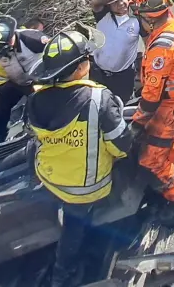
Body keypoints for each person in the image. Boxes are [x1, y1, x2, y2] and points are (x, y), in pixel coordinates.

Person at [26, 30, 133, 287]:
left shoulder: (35, 98)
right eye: (87, 58)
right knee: (74, 228)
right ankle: (63, 274)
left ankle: (62, 272)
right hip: (84, 189)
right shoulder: (99, 98)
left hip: (49, 179)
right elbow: (122, 146)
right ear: (80, 67)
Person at [128, 0, 174, 226]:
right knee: (166, 147)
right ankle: (170, 180)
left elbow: (151, 96)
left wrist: (137, 123)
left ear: (148, 16)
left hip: (170, 108)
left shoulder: (161, 46)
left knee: (151, 159)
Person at [0, 16, 48, 147]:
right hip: (18, 81)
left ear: (8, 44)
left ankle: (47, 132)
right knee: (1, 104)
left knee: (42, 107)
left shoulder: (33, 39)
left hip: (42, 80)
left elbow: (57, 54)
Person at [90, 0, 141, 101]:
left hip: (123, 75)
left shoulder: (137, 19)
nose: (121, 3)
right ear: (108, 4)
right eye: (115, 2)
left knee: (122, 102)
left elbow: (149, 43)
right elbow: (95, 1)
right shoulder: (102, 15)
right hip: (98, 72)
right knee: (99, 101)